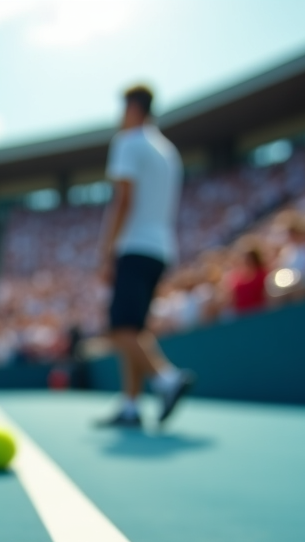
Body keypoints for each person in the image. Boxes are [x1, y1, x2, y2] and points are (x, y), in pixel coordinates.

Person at [96, 84, 194, 429]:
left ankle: (167, 379)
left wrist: (107, 250)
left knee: (120, 329)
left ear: (133, 109)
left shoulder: (128, 142)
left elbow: (123, 200)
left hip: (134, 246)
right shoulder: (167, 150)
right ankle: (130, 406)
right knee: (135, 329)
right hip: (161, 249)